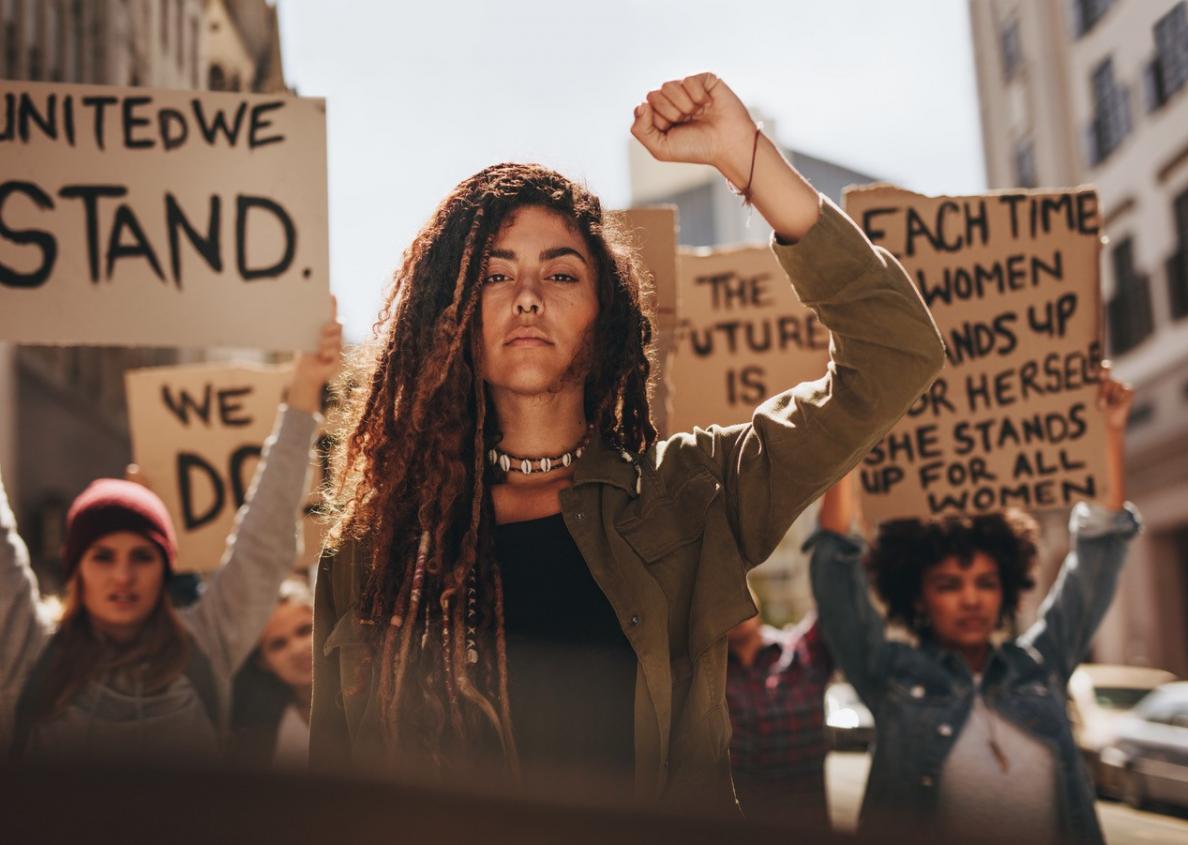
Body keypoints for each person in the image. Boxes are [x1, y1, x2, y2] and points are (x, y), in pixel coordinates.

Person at [311, 71, 945, 810]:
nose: (527, 295)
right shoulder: (373, 547)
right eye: (493, 273)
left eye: (562, 272)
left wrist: (745, 159)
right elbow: (336, 797)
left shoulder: (691, 494)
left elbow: (896, 348)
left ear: (605, 316)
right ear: (447, 315)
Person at [809, 369, 1136, 844]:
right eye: (949, 584)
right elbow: (835, 561)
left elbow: (1099, 553)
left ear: (1005, 587)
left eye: (985, 582)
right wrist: (853, 430)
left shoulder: (1040, 667)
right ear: (918, 594)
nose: (970, 598)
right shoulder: (891, 677)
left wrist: (1109, 430)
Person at [0, 308, 341, 760]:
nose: (123, 575)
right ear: (75, 565)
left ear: (166, 565)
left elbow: (265, 539)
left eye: (142, 556)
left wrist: (303, 392)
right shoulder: (29, 648)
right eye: (102, 556)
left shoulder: (204, 642)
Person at [726, 599, 832, 827]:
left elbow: (834, 604)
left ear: (756, 603)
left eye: (735, 595)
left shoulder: (801, 651)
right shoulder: (703, 678)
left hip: (807, 824)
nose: (732, 605)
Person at [230, 578, 315, 769]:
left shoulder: (374, 697)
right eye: (278, 644)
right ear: (263, 662)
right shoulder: (264, 737)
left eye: (304, 630)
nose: (297, 649)